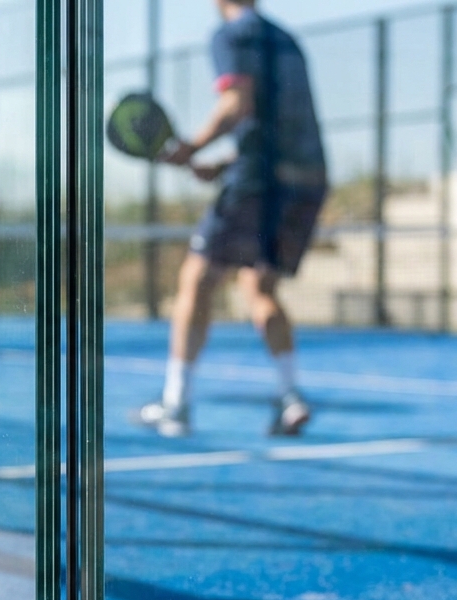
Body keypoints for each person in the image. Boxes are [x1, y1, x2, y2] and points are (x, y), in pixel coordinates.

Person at [134, 0, 329, 438]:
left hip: (258, 181)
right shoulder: (287, 41)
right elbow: (282, 126)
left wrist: (191, 147)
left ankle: (176, 405)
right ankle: (290, 397)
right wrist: (226, 164)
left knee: (197, 279)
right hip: (308, 179)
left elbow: (236, 103)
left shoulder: (231, 35)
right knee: (260, 287)